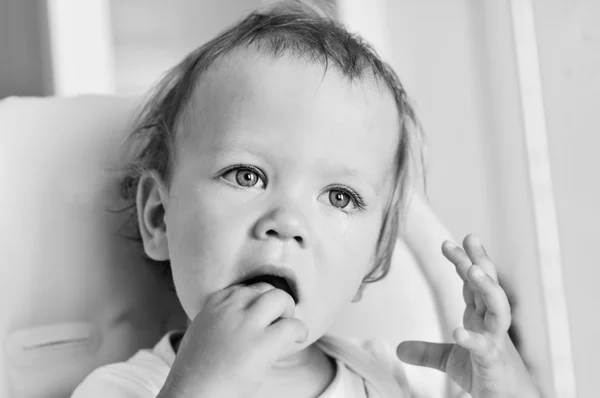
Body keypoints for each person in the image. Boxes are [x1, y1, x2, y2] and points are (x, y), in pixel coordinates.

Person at [72, 2, 539, 397]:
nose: (287, 221)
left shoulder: (380, 378)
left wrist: (504, 385)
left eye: (340, 195)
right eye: (247, 175)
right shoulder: (127, 388)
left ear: (374, 260)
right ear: (159, 217)